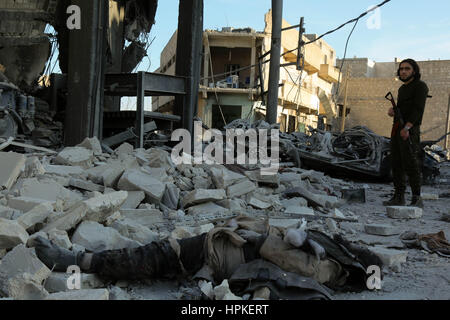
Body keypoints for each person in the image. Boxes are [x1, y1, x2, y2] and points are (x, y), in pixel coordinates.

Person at [384, 58, 429, 208]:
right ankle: (399, 196)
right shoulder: (402, 89)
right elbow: (402, 110)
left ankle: (416, 198)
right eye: (401, 69)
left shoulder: (420, 86)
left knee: (411, 163)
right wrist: (393, 112)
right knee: (396, 162)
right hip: (398, 128)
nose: (403, 71)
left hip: (410, 130)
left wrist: (407, 128)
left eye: (407, 69)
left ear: (414, 71)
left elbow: (418, 110)